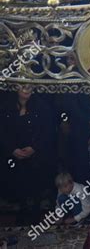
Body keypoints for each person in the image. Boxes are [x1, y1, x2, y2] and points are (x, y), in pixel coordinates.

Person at [0, 86, 53, 216]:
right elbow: (3, 131)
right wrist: (12, 149)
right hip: (14, 154)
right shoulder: (6, 106)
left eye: (29, 86)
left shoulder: (42, 106)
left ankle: (35, 210)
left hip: (36, 153)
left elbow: (48, 130)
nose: (26, 89)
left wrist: (34, 148)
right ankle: (22, 210)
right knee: (18, 181)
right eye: (23, 86)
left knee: (36, 181)